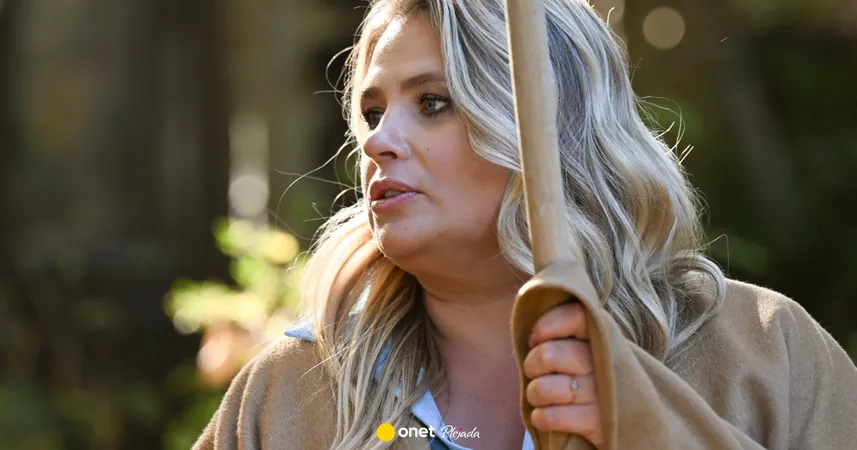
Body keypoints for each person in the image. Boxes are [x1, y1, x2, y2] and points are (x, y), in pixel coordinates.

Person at [192, 0, 857, 449]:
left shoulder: (766, 354)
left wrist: (650, 429)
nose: (377, 142)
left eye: (433, 103)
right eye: (372, 113)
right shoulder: (289, 393)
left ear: (552, 126)